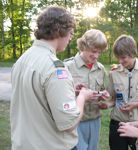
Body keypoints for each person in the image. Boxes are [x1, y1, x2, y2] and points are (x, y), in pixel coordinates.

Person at [10, 6, 96, 150]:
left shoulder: (23, 59)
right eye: (70, 33)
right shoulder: (55, 69)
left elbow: (37, 97)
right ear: (58, 30)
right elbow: (69, 123)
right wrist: (82, 97)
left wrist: (69, 91)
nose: (70, 38)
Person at [64, 29, 110, 150]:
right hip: (75, 122)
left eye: (99, 52)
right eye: (94, 51)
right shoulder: (67, 67)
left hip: (95, 120)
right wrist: (76, 93)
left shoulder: (100, 69)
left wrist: (103, 97)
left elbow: (102, 92)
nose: (96, 56)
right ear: (83, 46)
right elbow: (61, 97)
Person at [104, 35, 138, 150]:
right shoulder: (114, 73)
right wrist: (105, 104)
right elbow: (112, 99)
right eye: (118, 58)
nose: (120, 61)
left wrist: (137, 104)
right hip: (118, 124)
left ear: (132, 53)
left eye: (123, 58)